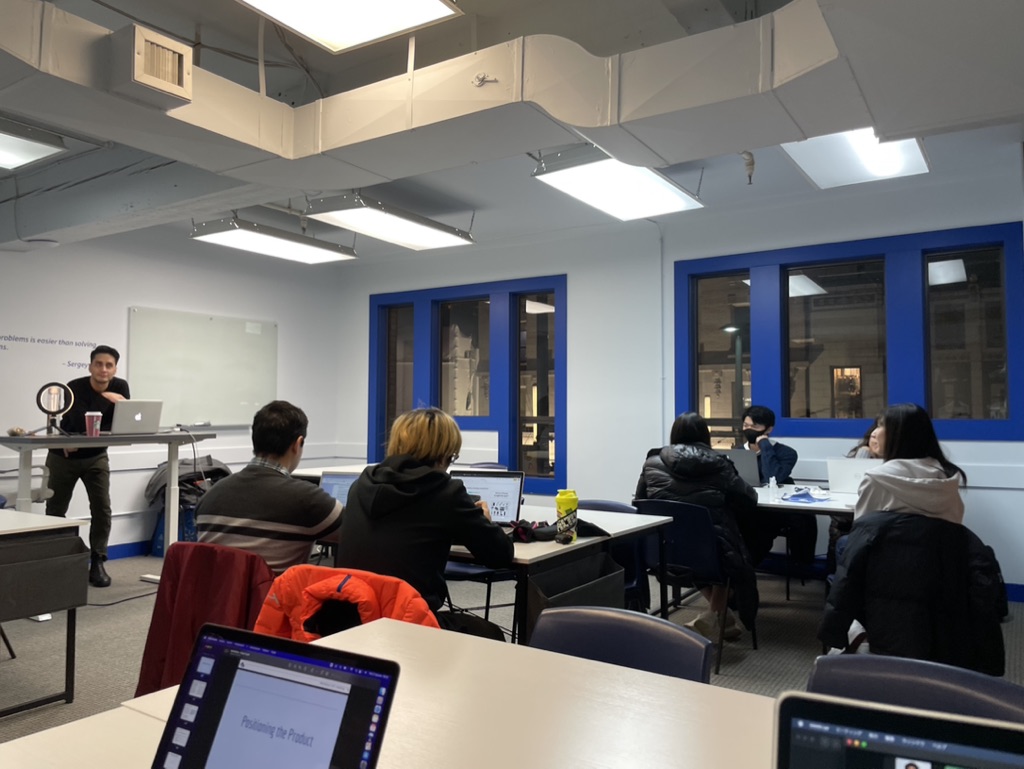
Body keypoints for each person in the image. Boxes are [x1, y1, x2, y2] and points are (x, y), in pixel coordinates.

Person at [335, 407, 514, 639]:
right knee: (491, 634)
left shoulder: (361, 485)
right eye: (451, 457)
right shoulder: (445, 491)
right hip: (407, 625)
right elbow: (500, 555)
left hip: (349, 619)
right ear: (442, 454)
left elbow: (407, 528)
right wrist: (484, 521)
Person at [634, 412, 758, 641]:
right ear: (705, 436)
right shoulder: (719, 464)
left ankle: (720, 618)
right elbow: (749, 500)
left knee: (705, 550)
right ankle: (714, 615)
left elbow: (640, 502)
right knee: (731, 550)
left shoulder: (651, 463)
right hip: (713, 551)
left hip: (665, 548)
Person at [196, 400, 342, 574]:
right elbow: (355, 534)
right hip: (272, 592)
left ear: (255, 440)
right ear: (297, 444)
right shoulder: (306, 499)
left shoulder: (209, 496)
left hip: (217, 591)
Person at [45, 344, 131, 587]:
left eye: (109, 365)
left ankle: (98, 560)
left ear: (115, 369)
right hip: (63, 456)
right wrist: (107, 399)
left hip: (96, 456)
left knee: (102, 508)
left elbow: (121, 422)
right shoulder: (74, 386)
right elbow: (79, 421)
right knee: (56, 510)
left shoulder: (121, 387)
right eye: (99, 364)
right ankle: (56, 562)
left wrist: (116, 406)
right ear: (90, 366)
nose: (104, 369)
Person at [854, 403, 966, 522]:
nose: (873, 433)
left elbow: (862, 527)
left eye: (880, 425)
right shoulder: (947, 477)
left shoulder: (876, 479)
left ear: (899, 435)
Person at [735, 405, 818, 566]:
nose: (748, 430)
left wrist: (765, 446)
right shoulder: (738, 453)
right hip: (751, 506)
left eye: (754, 426)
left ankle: (801, 565)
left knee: (803, 520)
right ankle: (743, 567)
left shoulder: (787, 453)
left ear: (768, 429)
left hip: (776, 509)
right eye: (746, 425)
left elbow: (773, 477)